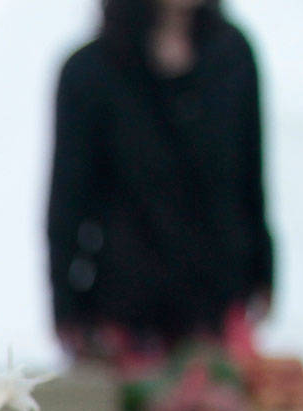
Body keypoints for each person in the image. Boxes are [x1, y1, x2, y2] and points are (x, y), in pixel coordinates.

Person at [47, 0, 273, 361]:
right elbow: (67, 200)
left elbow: (250, 173)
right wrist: (66, 308)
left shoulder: (232, 56)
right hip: (126, 312)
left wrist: (264, 270)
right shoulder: (90, 71)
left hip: (217, 306)